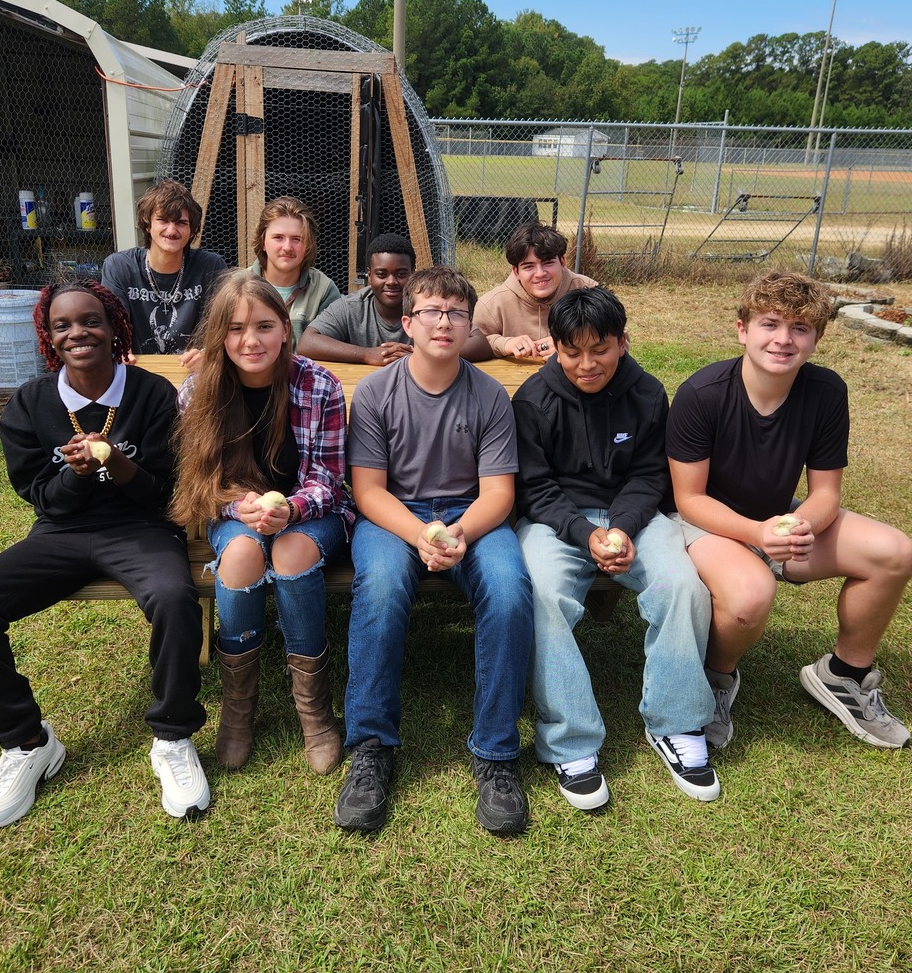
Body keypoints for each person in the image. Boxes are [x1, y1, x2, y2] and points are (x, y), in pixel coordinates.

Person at [0, 279, 209, 829]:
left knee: (173, 595)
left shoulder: (151, 394)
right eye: (62, 325)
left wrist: (114, 463)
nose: (78, 333)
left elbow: (166, 494)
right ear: (48, 335)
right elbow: (41, 496)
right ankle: (25, 743)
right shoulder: (29, 404)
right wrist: (78, 476)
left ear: (115, 328)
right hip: (61, 534)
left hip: (142, 528)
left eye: (91, 320)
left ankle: (173, 736)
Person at [666, 270, 912, 750]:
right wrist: (759, 535)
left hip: (779, 518)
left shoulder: (825, 392)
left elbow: (826, 493)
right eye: (770, 324)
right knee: (749, 598)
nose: (783, 339)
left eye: (799, 328)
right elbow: (688, 499)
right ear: (743, 329)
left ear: (817, 339)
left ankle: (844, 675)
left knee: (894, 552)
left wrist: (799, 526)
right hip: (705, 522)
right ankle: (716, 681)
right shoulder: (702, 393)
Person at [334, 266, 534, 836]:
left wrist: (461, 534)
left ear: (470, 325)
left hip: (473, 513)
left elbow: (499, 491)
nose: (443, 322)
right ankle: (371, 746)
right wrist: (419, 534)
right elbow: (368, 490)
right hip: (396, 513)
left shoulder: (490, 395)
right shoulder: (376, 392)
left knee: (509, 589)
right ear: (408, 322)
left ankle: (496, 753)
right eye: (431, 312)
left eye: (456, 313)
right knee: (378, 587)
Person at [513, 286, 719, 808]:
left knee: (682, 586)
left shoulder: (648, 393)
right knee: (540, 594)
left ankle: (676, 723)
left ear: (622, 342)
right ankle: (570, 740)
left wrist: (623, 527)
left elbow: (652, 474)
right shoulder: (534, 400)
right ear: (554, 347)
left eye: (599, 349)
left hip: (638, 517)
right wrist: (585, 534)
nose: (587, 364)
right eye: (572, 351)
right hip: (556, 521)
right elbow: (534, 488)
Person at [171, 270, 353, 775]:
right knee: (244, 552)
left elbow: (332, 478)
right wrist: (240, 509)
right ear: (218, 336)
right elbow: (201, 482)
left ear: (285, 331)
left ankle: (312, 709)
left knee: (291, 549)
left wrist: (290, 509)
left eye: (264, 326)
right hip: (235, 513)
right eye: (234, 329)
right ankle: (237, 709)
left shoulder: (318, 384)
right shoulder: (197, 392)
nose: (250, 341)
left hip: (313, 514)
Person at [298, 234, 493, 364]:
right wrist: (367, 354)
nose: (391, 282)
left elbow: (480, 344)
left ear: (413, 273)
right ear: (369, 275)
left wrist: (422, 354)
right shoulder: (352, 307)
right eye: (381, 274)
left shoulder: (428, 305)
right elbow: (307, 343)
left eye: (401, 274)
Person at [102, 179, 226, 364]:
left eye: (181, 223)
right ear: (147, 225)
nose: (171, 230)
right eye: (163, 220)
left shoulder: (211, 266)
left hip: (193, 372)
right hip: (138, 370)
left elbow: (222, 322)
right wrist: (119, 349)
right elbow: (112, 322)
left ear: (192, 230)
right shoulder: (119, 266)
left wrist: (207, 352)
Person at [473, 221, 598, 361]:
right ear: (516, 271)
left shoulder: (589, 290)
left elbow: (619, 342)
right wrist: (505, 343)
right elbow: (466, 343)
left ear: (562, 262)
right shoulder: (492, 304)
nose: (540, 273)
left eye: (548, 263)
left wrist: (569, 346)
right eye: (528, 266)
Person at [248, 196, 339, 350]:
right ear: (263, 242)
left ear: (308, 245)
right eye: (278, 238)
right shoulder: (237, 286)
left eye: (296, 239)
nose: (287, 247)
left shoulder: (324, 290)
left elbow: (331, 351)